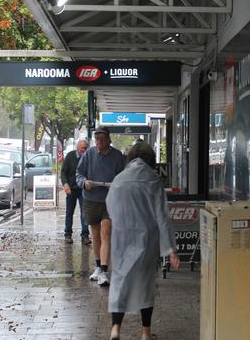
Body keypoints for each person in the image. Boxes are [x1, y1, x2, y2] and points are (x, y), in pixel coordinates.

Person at [105, 142, 180, 340]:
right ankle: (145, 332)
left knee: (120, 281)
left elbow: (110, 208)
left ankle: (115, 328)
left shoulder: (118, 180)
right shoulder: (154, 180)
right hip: (147, 239)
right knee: (145, 284)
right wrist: (170, 249)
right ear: (150, 160)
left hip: (121, 238)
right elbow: (162, 216)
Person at [76, 126, 125, 286]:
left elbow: (122, 176)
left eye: (102, 138)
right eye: (96, 138)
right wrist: (84, 183)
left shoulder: (117, 156)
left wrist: (117, 185)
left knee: (106, 232)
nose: (99, 141)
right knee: (95, 234)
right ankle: (98, 267)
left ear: (108, 139)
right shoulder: (89, 154)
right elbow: (79, 174)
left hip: (110, 201)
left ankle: (104, 270)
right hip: (91, 199)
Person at [61, 140, 90, 245]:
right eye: (82, 148)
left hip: (83, 189)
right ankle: (68, 234)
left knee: (84, 213)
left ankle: (85, 235)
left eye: (86, 148)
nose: (84, 150)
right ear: (78, 147)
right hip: (71, 189)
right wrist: (65, 185)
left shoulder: (88, 157)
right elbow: (63, 172)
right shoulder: (70, 156)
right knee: (69, 212)